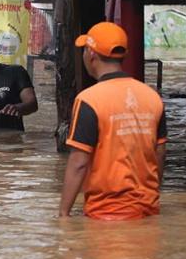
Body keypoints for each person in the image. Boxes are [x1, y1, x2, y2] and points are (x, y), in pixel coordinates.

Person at [59, 22, 167, 220]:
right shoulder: (152, 97)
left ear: (91, 53)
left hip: (105, 215)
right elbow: (159, 153)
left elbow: (79, 163)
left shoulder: (89, 100)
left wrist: (63, 215)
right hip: (148, 212)